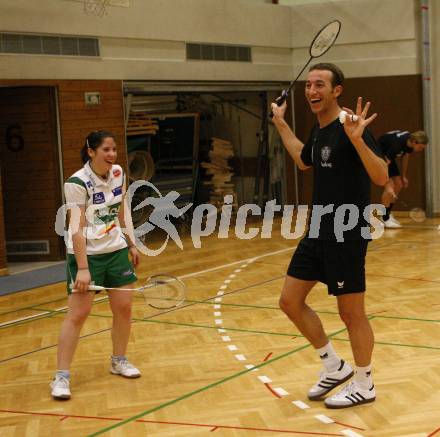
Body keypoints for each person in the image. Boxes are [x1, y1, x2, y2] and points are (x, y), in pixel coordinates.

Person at [271, 63, 388, 409]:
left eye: (319, 84)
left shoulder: (350, 125)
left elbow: (381, 176)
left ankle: (365, 382)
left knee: (351, 313)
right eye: (308, 85)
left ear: (337, 91)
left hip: (346, 232)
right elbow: (304, 159)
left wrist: (358, 141)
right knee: (289, 301)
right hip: (318, 229)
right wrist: (280, 122)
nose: (311, 91)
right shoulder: (319, 128)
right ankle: (334, 366)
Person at [50, 130, 141, 400]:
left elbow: (123, 208)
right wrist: (83, 268)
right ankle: (61, 377)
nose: (112, 154)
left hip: (115, 250)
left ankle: (119, 360)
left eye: (114, 149)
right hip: (86, 254)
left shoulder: (118, 173)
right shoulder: (76, 183)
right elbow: (75, 229)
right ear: (91, 151)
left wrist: (132, 243)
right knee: (78, 314)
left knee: (123, 309)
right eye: (106, 150)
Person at [378, 130, 428, 228]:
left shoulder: (409, 143)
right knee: (390, 187)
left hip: (388, 159)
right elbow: (384, 164)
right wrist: (387, 182)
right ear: (414, 142)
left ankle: (387, 213)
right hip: (379, 157)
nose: (421, 150)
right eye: (421, 147)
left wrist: (403, 176)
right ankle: (384, 217)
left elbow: (405, 156)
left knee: (399, 184)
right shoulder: (396, 145)